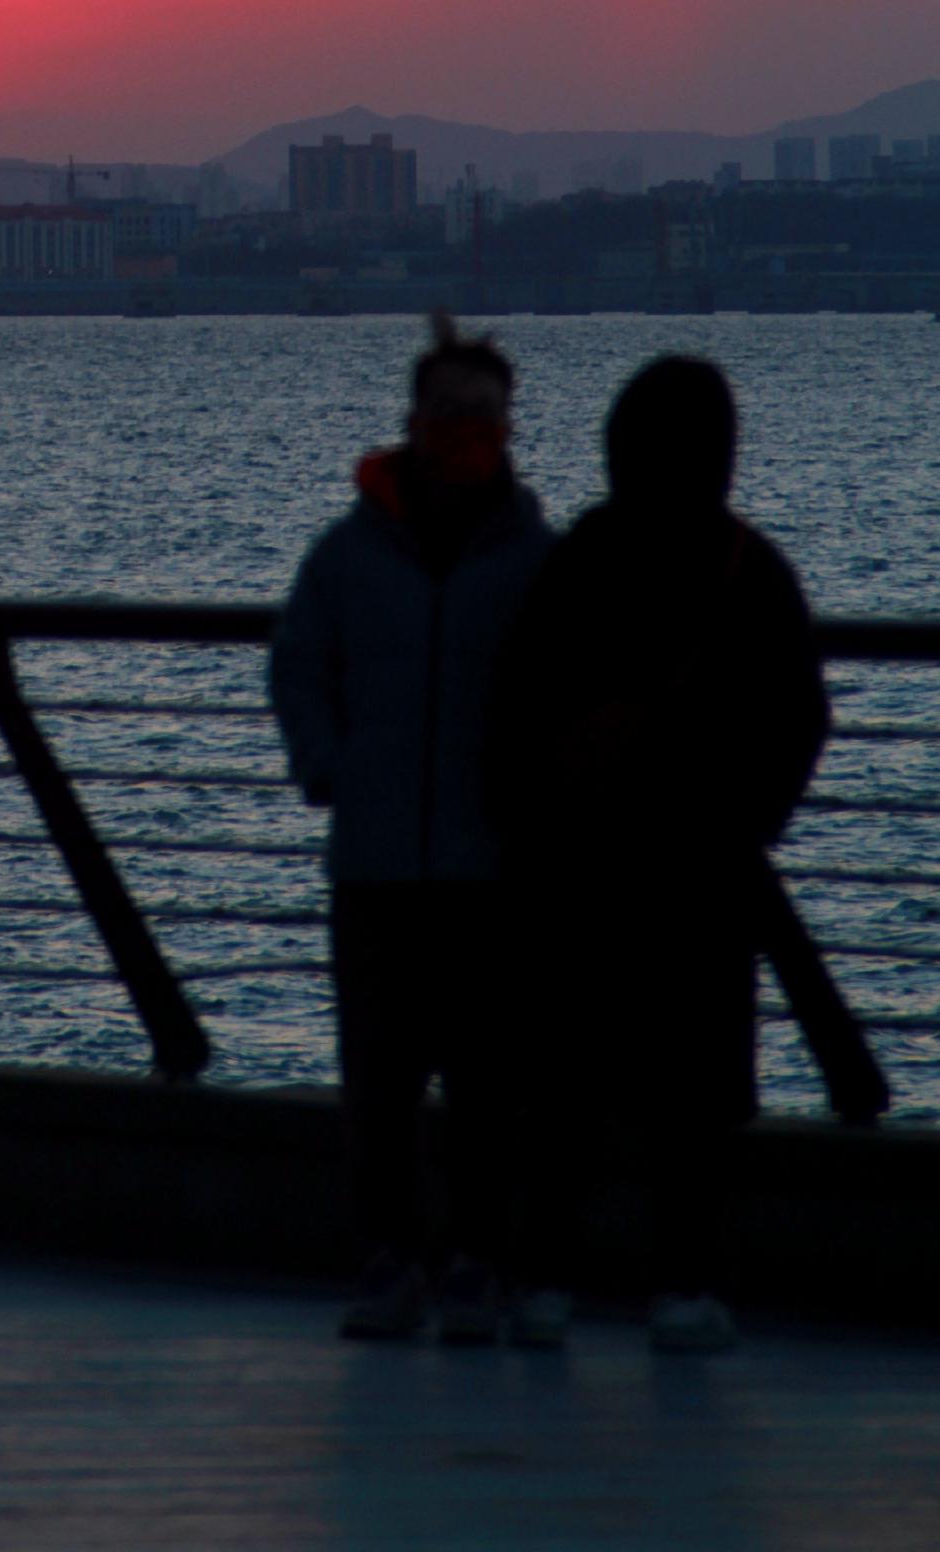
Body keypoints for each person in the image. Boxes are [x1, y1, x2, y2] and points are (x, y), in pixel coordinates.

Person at [490, 355, 828, 1355]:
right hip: (702, 870)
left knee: (561, 1079)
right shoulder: (748, 567)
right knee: (695, 1089)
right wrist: (752, 819)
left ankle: (544, 1279)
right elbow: (800, 715)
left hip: (577, 867)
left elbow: (515, 705)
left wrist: (531, 825)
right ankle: (683, 1284)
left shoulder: (578, 559)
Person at [269, 315, 552, 1342]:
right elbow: (298, 663)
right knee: (378, 1081)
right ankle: (387, 1258)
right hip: (376, 857)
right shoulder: (348, 555)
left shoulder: (536, 560)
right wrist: (325, 765)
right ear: (414, 419)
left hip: (491, 864)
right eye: (447, 414)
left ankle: (479, 1261)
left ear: (506, 427)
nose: (463, 433)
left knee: (487, 1082)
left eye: (481, 416)